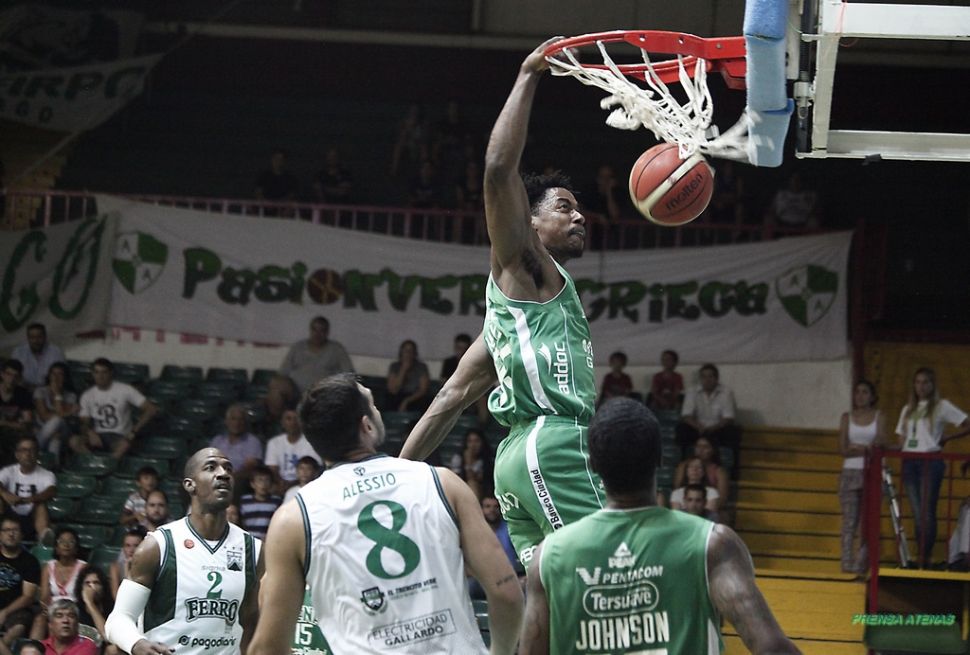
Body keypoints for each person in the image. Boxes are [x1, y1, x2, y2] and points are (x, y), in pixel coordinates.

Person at [400, 39, 601, 567]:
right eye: (564, 207)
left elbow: (450, 398)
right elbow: (496, 169)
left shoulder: (509, 322)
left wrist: (394, 476)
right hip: (553, 443)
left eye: (578, 209)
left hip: (514, 461)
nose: (579, 216)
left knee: (545, 593)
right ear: (529, 222)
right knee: (607, 570)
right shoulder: (527, 264)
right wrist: (530, 73)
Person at [247, 373, 524, 655]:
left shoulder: (293, 518)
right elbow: (506, 593)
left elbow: (267, 648)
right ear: (366, 425)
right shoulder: (443, 483)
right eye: (372, 404)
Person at [518, 397, 798, 654]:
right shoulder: (712, 545)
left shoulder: (548, 557)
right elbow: (773, 649)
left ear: (592, 465)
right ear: (661, 459)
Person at [104, 448, 261, 655]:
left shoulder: (253, 549)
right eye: (211, 467)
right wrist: (137, 643)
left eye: (228, 468)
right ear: (189, 484)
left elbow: (252, 621)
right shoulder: (158, 545)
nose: (223, 473)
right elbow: (117, 619)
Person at [895, 367, 970, 568]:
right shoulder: (907, 409)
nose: (921, 386)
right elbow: (901, 439)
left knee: (926, 511)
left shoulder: (941, 406)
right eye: (918, 382)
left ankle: (924, 556)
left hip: (930, 460)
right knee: (918, 511)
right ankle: (923, 555)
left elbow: (967, 423)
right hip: (910, 460)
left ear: (932, 385)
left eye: (925, 382)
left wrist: (947, 438)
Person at [838, 380, 885, 574]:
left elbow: (879, 443)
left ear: (872, 396)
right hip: (850, 471)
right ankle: (846, 563)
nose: (860, 396)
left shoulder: (879, 416)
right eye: (857, 392)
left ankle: (861, 562)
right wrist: (865, 449)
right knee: (849, 521)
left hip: (872, 471)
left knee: (869, 522)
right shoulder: (846, 417)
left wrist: (857, 448)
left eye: (865, 392)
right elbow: (842, 449)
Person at [73, 359, 158, 459]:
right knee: (74, 441)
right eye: (96, 372)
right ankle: (92, 461)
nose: (100, 376)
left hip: (120, 436)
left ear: (111, 373)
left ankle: (109, 464)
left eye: (104, 372)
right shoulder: (87, 395)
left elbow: (151, 409)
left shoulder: (125, 389)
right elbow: (84, 422)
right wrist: (89, 432)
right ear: (92, 374)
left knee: (124, 445)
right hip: (98, 435)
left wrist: (133, 432)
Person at [277, 316, 354, 394]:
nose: (317, 334)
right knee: (277, 385)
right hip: (295, 391)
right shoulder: (298, 347)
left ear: (327, 332)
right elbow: (283, 372)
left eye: (322, 330)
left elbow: (349, 374)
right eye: (314, 329)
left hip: (324, 392)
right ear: (310, 330)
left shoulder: (337, 349)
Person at [0, 436, 55, 542]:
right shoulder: (9, 471)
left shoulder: (47, 474)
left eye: (31, 450)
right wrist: (6, 495)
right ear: (17, 454)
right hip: (10, 515)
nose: (28, 454)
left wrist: (27, 500)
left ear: (37, 454)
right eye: (23, 450)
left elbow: (51, 491)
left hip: (32, 517)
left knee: (41, 504)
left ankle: (44, 539)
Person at [676, 363, 741, 453]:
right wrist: (698, 427)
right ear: (700, 379)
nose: (707, 380)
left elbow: (728, 418)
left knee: (733, 432)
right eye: (704, 377)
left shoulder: (726, 392)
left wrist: (712, 428)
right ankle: (683, 460)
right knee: (681, 429)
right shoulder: (692, 391)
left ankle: (731, 462)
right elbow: (686, 416)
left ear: (717, 378)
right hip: (698, 429)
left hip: (717, 430)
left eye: (710, 376)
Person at [0, 516, 41, 646]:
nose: (11, 534)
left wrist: (4, 612)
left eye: (15, 530)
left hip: (17, 609)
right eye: (6, 530)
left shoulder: (30, 561)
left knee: (18, 628)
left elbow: (28, 597)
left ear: (22, 535)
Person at [263, 408, 320, 493]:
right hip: (279, 484)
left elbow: (314, 469)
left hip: (304, 483)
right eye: (288, 419)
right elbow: (272, 469)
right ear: (282, 422)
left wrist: (291, 485)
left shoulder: (310, 442)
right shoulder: (274, 442)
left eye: (296, 418)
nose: (293, 422)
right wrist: (281, 483)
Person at [32, 363, 78, 462]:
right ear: (49, 375)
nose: (56, 377)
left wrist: (57, 394)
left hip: (65, 431)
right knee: (55, 439)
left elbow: (61, 416)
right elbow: (44, 416)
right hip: (42, 430)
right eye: (53, 373)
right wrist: (68, 413)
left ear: (65, 377)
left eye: (60, 374)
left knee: (57, 420)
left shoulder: (71, 395)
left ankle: (33, 450)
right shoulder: (40, 391)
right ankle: (54, 468)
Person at [673, 435, 730, 512]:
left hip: (710, 507)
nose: (700, 450)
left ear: (713, 450)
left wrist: (702, 508)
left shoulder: (719, 471)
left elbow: (722, 499)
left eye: (705, 447)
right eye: (698, 446)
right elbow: (677, 488)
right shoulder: (683, 466)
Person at [209, 405, 264, 483]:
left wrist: (229, 478)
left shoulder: (252, 442)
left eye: (241, 419)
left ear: (245, 422)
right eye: (233, 419)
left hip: (238, 481)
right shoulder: (217, 440)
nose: (237, 423)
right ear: (226, 422)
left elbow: (250, 468)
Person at [11, 325, 65, 391]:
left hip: (49, 391)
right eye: (32, 337)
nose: (36, 341)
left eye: (39, 337)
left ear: (45, 337)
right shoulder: (19, 352)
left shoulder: (56, 352)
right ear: (28, 338)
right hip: (23, 390)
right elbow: (12, 375)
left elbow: (61, 378)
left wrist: (41, 391)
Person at [40, 528, 86, 606]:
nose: (66, 545)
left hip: (76, 608)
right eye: (61, 541)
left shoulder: (84, 568)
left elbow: (85, 598)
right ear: (56, 548)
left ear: (76, 548)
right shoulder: (48, 567)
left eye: (71, 542)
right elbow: (44, 597)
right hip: (53, 608)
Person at [73, 565, 114, 651]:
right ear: (81, 588)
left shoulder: (111, 608)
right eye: (87, 583)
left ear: (103, 587)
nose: (92, 587)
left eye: (96, 583)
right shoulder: (74, 609)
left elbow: (106, 636)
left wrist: (90, 603)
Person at [385, 339, 431, 412]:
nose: (408, 354)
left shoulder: (421, 367)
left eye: (411, 351)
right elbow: (393, 389)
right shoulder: (394, 366)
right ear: (401, 352)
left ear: (414, 353)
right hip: (398, 395)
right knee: (389, 399)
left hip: (415, 397)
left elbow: (423, 390)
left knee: (424, 401)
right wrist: (403, 370)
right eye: (406, 351)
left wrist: (406, 401)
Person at [448, 428, 493, 501]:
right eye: (470, 441)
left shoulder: (484, 461)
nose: (473, 445)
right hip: (459, 489)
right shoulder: (458, 458)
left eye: (476, 441)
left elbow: (474, 479)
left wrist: (469, 462)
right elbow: (454, 479)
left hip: (481, 492)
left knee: (472, 484)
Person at [238, 466, 281, 541]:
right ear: (252, 484)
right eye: (260, 480)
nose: (263, 484)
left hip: (269, 539)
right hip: (248, 540)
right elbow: (240, 522)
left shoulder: (276, 501)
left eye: (267, 480)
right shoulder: (244, 501)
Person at [0, 360, 34, 452]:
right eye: (9, 374)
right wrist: (15, 424)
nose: (11, 379)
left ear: (20, 378)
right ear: (2, 374)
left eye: (16, 376)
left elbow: (26, 424)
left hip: (13, 435)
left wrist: (4, 423)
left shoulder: (23, 394)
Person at [108, 527, 145, 600]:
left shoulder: (148, 566)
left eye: (136, 545)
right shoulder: (115, 567)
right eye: (127, 545)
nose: (131, 550)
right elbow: (116, 597)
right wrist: (126, 567)